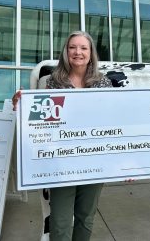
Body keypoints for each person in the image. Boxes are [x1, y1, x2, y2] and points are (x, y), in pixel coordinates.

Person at [12, 31, 112, 241]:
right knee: (60, 221)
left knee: (86, 218)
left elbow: (113, 123)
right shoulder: (50, 82)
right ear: (66, 52)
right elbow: (38, 122)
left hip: (94, 160)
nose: (78, 52)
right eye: (73, 47)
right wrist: (20, 106)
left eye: (84, 48)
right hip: (62, 163)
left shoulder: (103, 84)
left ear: (91, 53)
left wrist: (124, 161)